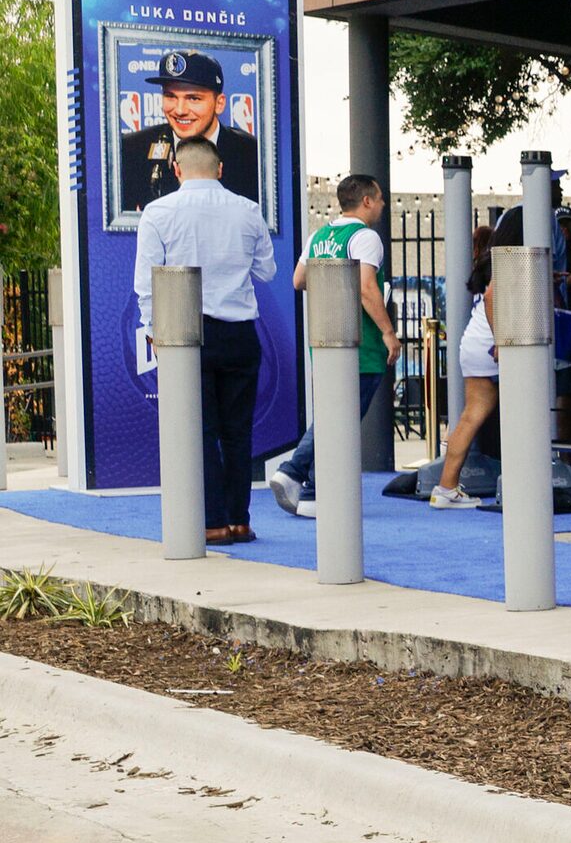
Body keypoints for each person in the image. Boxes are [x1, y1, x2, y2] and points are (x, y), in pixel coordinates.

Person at [130, 137, 275, 544]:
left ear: (176, 168)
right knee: (238, 431)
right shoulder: (248, 211)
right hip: (240, 332)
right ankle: (239, 520)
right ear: (220, 168)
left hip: (187, 332)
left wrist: (154, 329)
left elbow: (147, 282)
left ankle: (211, 522)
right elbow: (267, 271)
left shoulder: (159, 212)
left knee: (201, 430)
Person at [266, 174, 400, 517]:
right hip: (361, 343)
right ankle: (306, 483)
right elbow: (368, 287)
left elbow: (299, 280)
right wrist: (387, 332)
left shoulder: (320, 235)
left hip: (326, 342)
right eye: (381, 198)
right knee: (342, 419)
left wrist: (335, 289)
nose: (384, 205)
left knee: (331, 414)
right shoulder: (365, 238)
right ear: (367, 201)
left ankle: (303, 479)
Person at [119, 49, 263, 215]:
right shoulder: (131, 149)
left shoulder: (252, 154)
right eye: (170, 96)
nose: (180, 110)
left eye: (193, 98)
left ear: (219, 103)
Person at [429, 230, 504, 509]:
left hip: (473, 343)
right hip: (489, 346)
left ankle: (446, 486)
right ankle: (446, 488)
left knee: (470, 417)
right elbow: (492, 297)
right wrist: (500, 340)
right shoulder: (503, 263)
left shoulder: (487, 265)